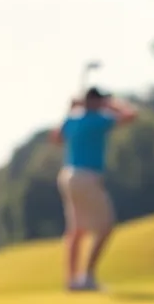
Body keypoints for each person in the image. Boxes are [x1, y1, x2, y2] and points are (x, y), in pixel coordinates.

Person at [51, 87, 138, 291]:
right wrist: (111, 103)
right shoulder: (99, 119)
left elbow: (56, 138)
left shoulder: (72, 120)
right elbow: (131, 115)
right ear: (97, 102)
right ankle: (87, 277)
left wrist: (69, 111)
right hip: (86, 177)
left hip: (68, 176)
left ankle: (72, 280)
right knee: (105, 226)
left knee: (77, 230)